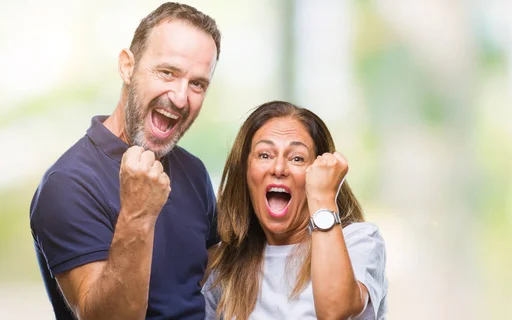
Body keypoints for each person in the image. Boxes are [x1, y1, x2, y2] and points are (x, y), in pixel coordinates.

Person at [29, 3, 222, 319]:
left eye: (197, 83)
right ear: (127, 67)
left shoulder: (194, 171)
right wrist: (138, 212)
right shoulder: (67, 183)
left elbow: (213, 286)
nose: (180, 97)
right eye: (167, 72)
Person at [203, 101, 388, 319]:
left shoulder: (358, 241)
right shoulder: (226, 265)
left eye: (297, 158)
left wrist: (324, 197)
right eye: (265, 155)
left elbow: (334, 312)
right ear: (245, 170)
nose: (279, 168)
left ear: (318, 173)